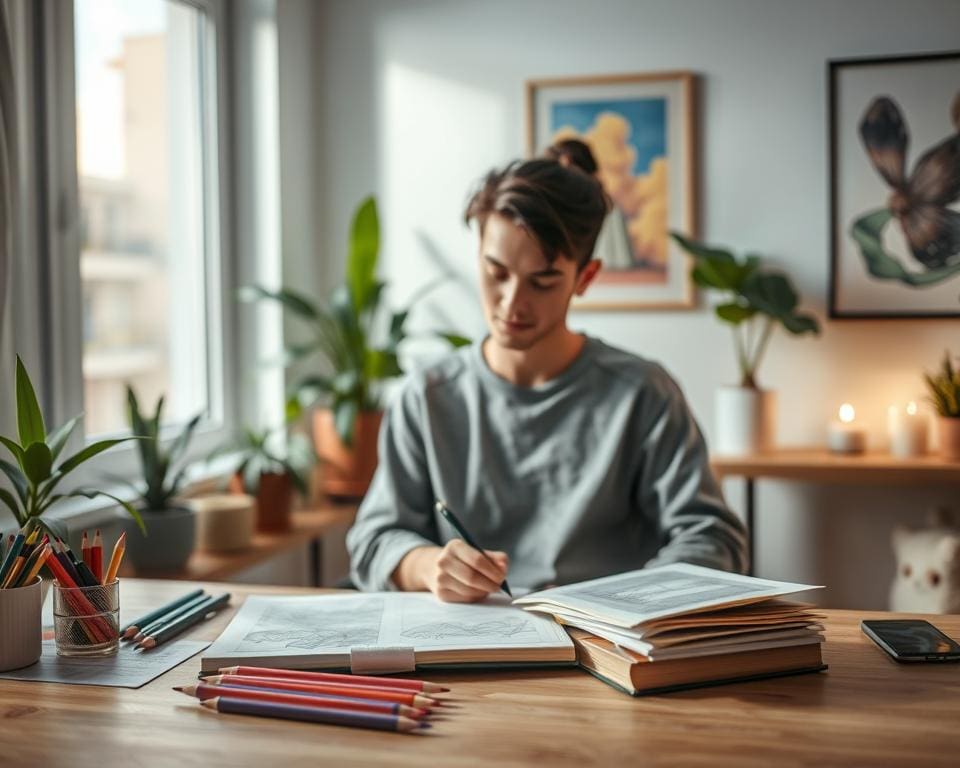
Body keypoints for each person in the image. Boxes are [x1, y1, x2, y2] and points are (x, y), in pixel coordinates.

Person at [346, 139, 747, 602]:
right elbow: (373, 539)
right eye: (496, 272)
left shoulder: (643, 394)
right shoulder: (428, 395)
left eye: (543, 281)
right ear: (477, 252)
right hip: (465, 650)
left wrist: (625, 601)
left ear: (586, 278)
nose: (513, 302)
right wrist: (429, 566)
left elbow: (715, 539)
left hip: (605, 649)